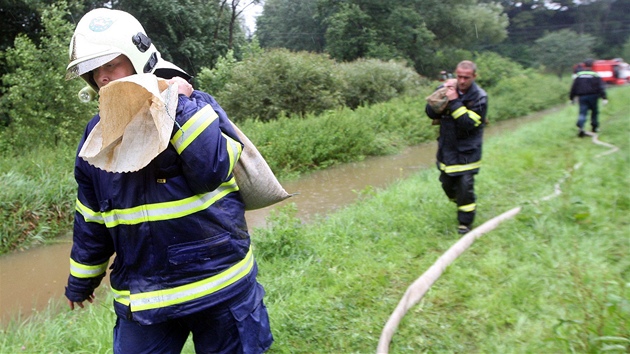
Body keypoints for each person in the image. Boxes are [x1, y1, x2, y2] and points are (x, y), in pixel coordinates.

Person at [64, 8, 273, 353]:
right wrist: (80, 282)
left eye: (111, 64)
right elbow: (91, 219)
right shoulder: (96, 137)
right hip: (146, 300)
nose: (102, 77)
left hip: (220, 286)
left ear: (138, 56)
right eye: (94, 69)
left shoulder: (192, 103)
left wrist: (178, 105)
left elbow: (212, 169)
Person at [425, 60, 488, 235]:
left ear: (474, 77)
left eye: (466, 78)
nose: (461, 81)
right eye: (459, 76)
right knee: (447, 184)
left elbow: (469, 123)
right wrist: (440, 96)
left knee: (465, 185)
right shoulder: (446, 89)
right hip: (447, 148)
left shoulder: (480, 97)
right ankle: (459, 200)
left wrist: (454, 102)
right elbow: (430, 113)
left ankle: (465, 224)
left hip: (468, 149)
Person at [569, 58, 608, 137]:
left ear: (584, 65)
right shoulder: (595, 75)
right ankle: (594, 127)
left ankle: (581, 127)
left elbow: (574, 87)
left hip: (582, 97)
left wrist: (571, 98)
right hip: (593, 96)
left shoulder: (579, 75)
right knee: (594, 112)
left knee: (582, 112)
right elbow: (601, 87)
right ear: (593, 65)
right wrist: (604, 97)